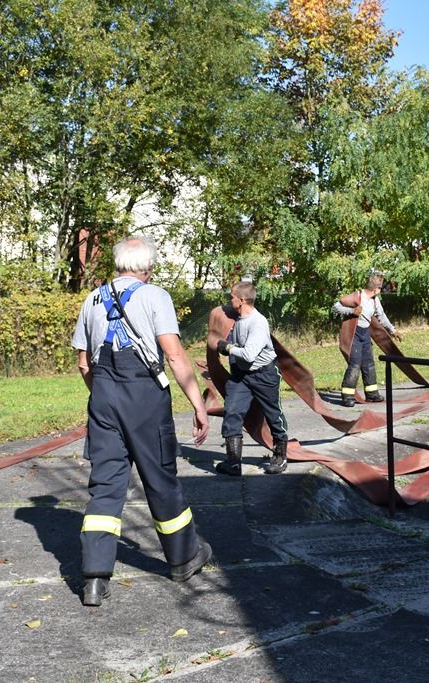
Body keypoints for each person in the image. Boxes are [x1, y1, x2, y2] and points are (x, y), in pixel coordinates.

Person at [71, 236, 212, 607]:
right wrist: (198, 403)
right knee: (160, 477)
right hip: (144, 397)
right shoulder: (156, 297)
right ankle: (183, 558)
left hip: (103, 396)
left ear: (118, 264)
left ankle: (95, 578)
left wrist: (102, 393)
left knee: (106, 484)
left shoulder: (92, 299)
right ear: (147, 267)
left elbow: (84, 361)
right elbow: (175, 356)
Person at [214, 281, 289, 476]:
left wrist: (227, 347)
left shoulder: (258, 322)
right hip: (241, 376)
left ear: (242, 300)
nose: (229, 300)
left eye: (232, 297)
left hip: (264, 374)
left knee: (273, 414)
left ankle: (280, 456)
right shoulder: (238, 320)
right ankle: (233, 463)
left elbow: (248, 354)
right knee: (232, 412)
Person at [332, 274, 401, 407]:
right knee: (355, 364)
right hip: (354, 335)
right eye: (380, 288)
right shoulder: (357, 296)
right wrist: (352, 311)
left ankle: (372, 394)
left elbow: (381, 316)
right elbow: (336, 307)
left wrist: (393, 330)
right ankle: (347, 396)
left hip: (365, 334)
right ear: (376, 289)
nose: (380, 291)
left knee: (369, 363)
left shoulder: (375, 300)